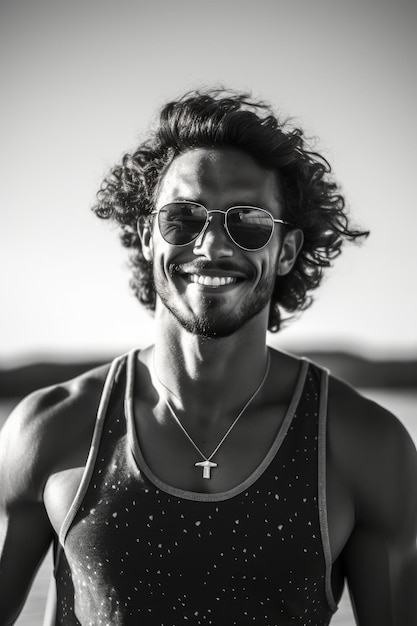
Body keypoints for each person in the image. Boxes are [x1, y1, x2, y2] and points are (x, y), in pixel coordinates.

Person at [0, 89, 416, 626]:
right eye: (182, 218)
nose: (212, 246)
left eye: (247, 223)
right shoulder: (48, 429)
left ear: (285, 250)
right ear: (148, 235)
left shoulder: (366, 447)